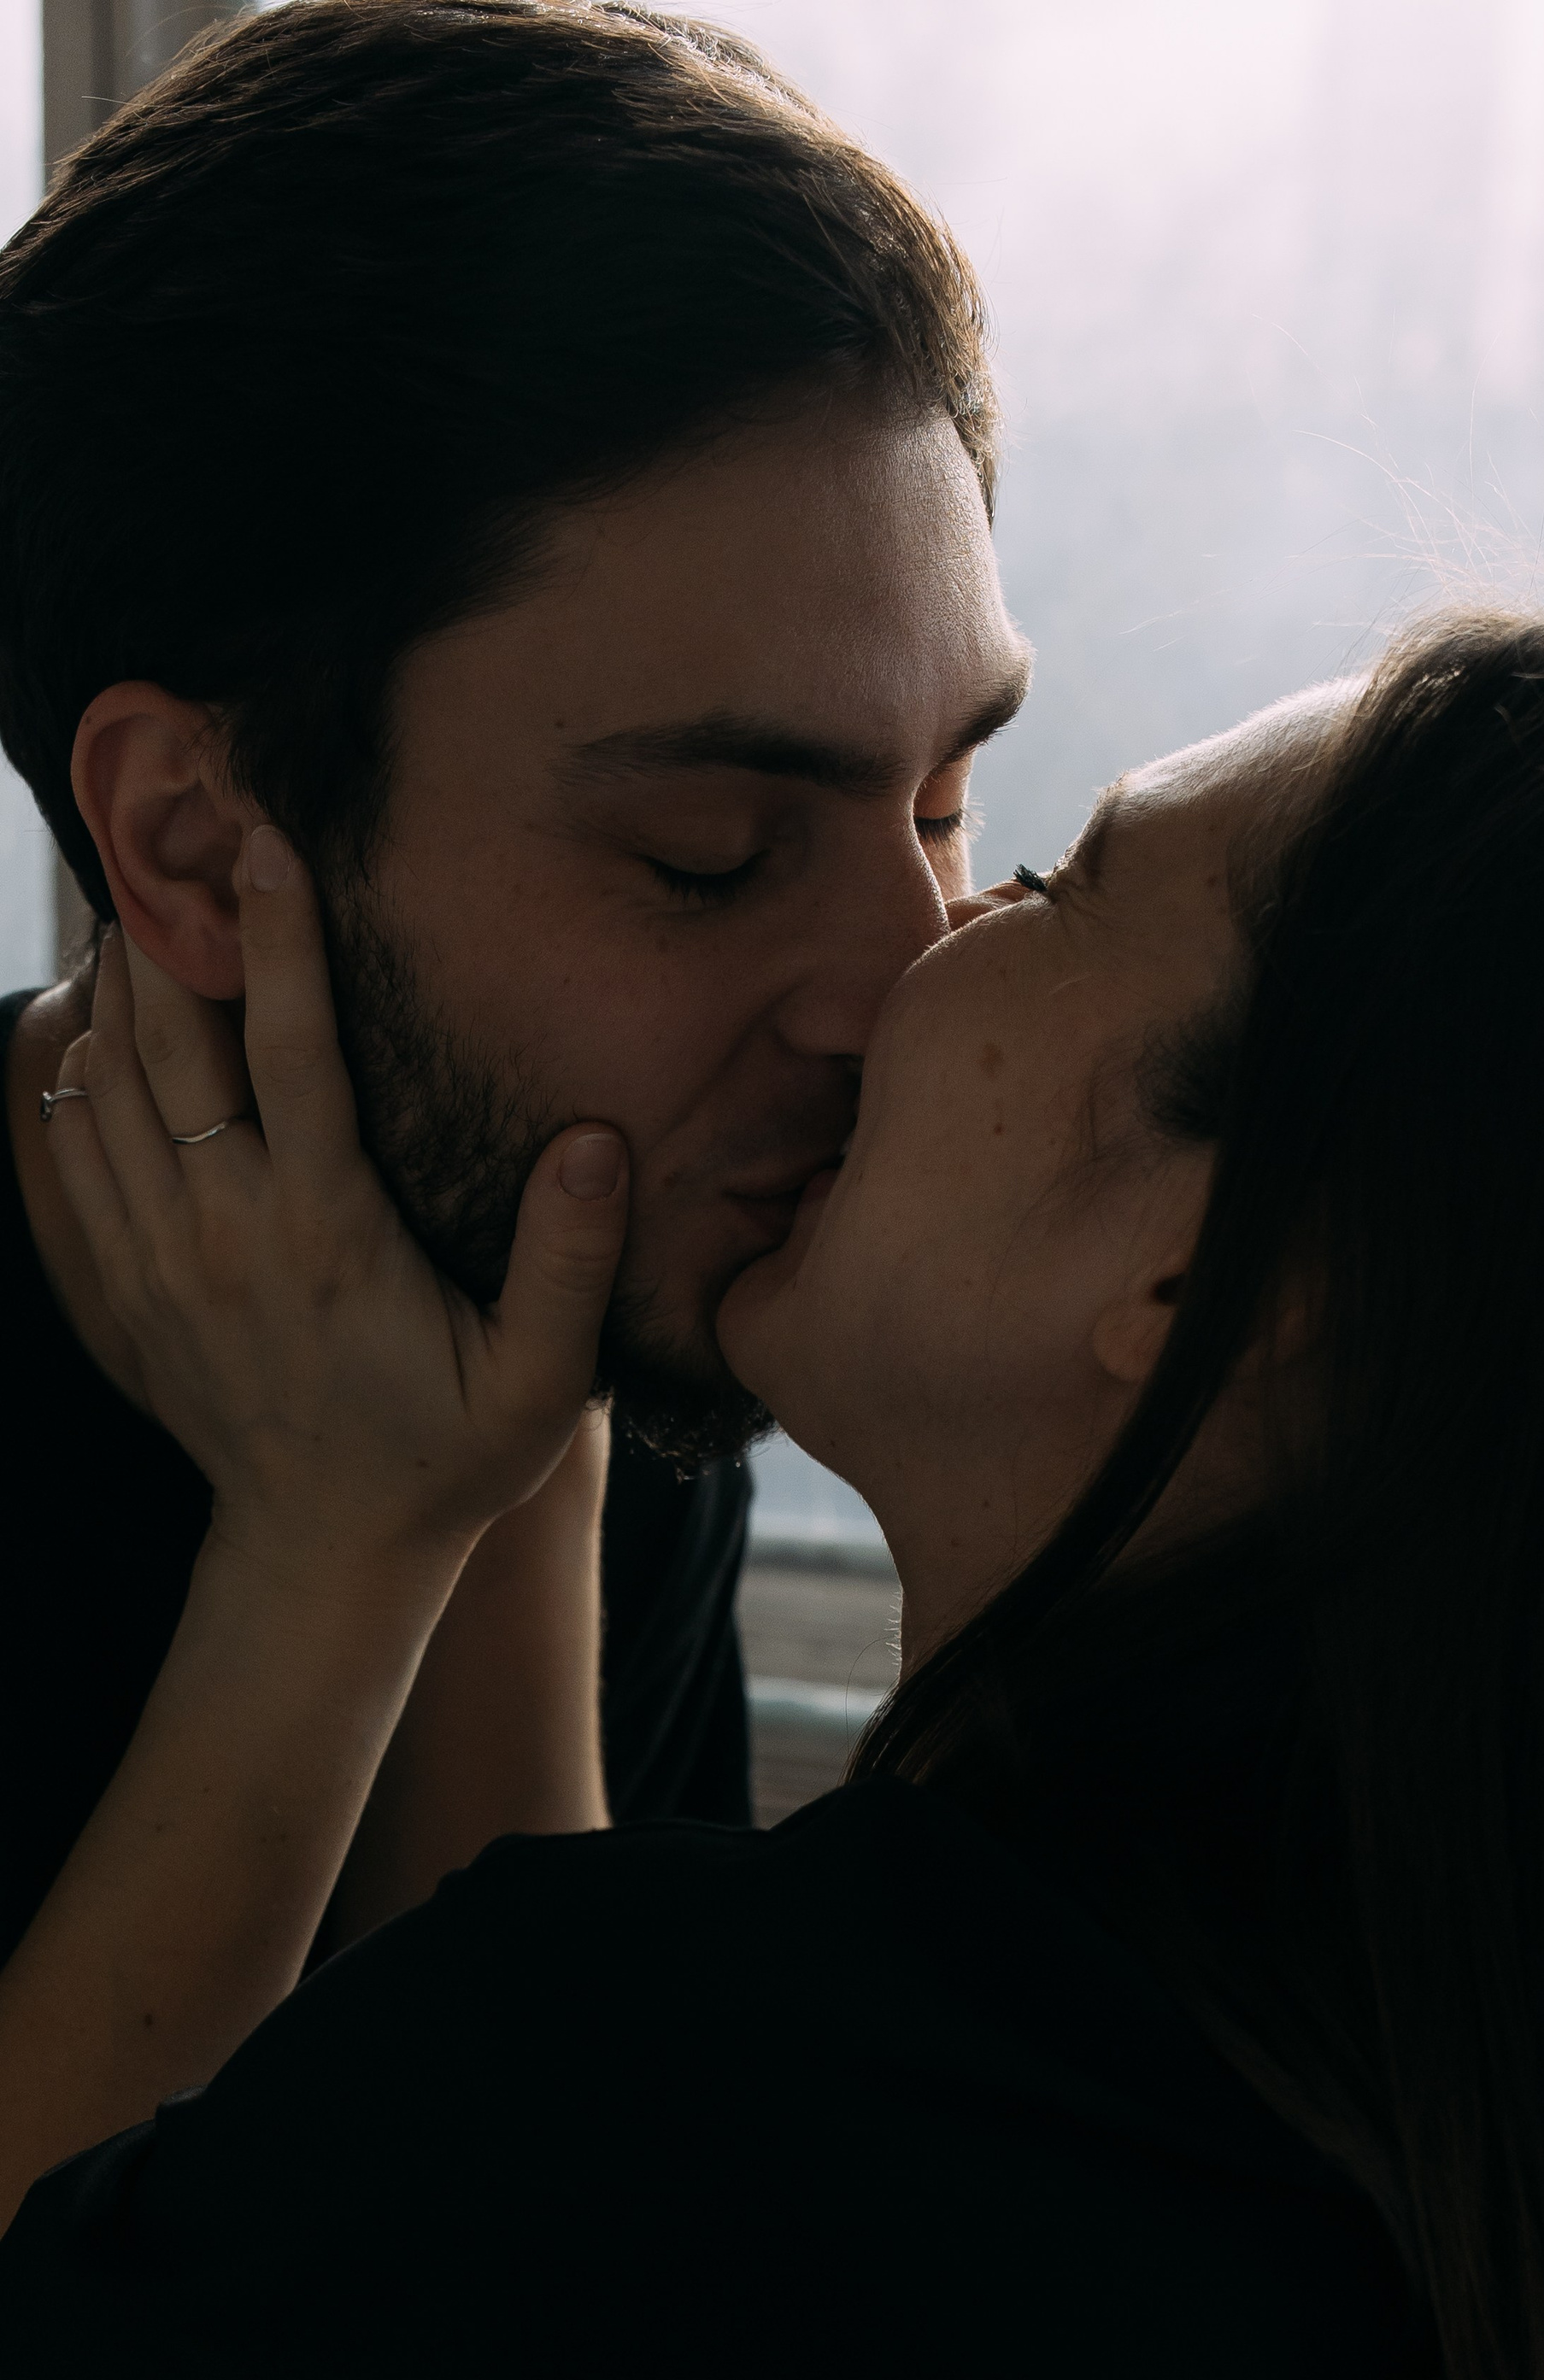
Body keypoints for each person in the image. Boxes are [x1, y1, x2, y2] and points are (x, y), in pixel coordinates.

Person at [16, 601, 1544, 2380]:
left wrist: (332, 1545)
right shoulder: (1448, 2144)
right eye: (714, 857)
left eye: (1043, 881)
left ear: (1204, 1280)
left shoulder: (699, 2105)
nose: (907, 957)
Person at [0, 0, 1027, 1993]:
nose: (915, 994)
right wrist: (337, 1557)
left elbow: (538, 2182)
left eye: (944, 805)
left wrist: (503, 1493)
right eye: (710, 854)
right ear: (197, 848)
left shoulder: (595, 1284)